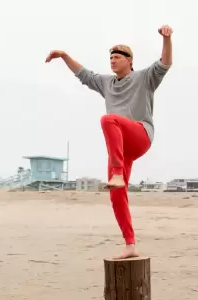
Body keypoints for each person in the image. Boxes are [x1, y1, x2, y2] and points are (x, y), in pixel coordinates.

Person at [45, 25, 173, 259]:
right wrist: (64, 56)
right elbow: (84, 75)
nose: (112, 61)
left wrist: (167, 38)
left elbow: (165, 63)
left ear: (129, 60)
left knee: (108, 119)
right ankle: (130, 244)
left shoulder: (144, 78)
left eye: (116, 58)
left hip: (141, 135)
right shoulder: (107, 83)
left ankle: (116, 174)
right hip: (121, 148)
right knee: (116, 194)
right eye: (110, 58)